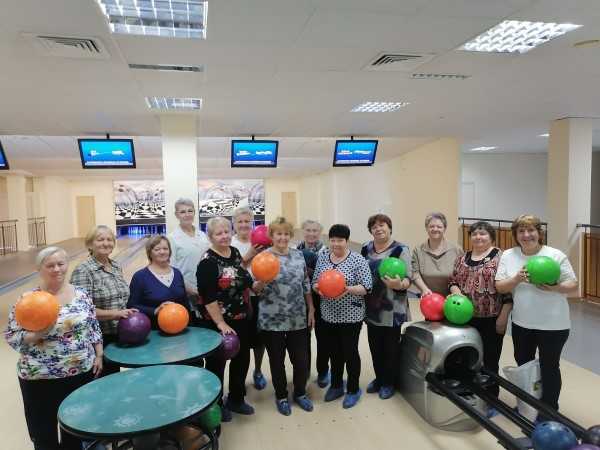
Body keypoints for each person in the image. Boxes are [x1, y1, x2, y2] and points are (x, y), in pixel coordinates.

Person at [5, 246, 103, 450]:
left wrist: (99, 354)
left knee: (74, 432)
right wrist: (37, 334)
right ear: (39, 269)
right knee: (43, 435)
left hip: (79, 372)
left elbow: (93, 326)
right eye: (50, 265)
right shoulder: (27, 299)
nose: (57, 269)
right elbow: (12, 336)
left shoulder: (82, 295)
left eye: (61, 264)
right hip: (39, 376)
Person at [496, 214, 578, 414]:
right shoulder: (509, 255)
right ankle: (528, 405)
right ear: (515, 235)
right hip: (522, 323)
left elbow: (573, 284)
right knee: (524, 365)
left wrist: (556, 288)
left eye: (531, 230)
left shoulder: (555, 255)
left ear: (539, 233)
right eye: (521, 231)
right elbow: (500, 287)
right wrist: (516, 279)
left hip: (553, 325)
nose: (526, 235)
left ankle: (549, 410)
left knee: (550, 367)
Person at [196, 217, 258, 421]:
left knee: (242, 358)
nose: (224, 236)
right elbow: (208, 297)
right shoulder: (207, 262)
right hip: (217, 322)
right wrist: (220, 323)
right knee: (217, 363)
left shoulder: (235, 252)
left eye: (226, 231)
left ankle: (236, 399)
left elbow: (243, 279)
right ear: (210, 237)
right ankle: (216, 403)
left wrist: (259, 283)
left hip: (241, 317)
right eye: (218, 233)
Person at [448, 221, 512, 414]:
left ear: (491, 237)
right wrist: (456, 291)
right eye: (474, 234)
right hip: (464, 318)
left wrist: (503, 316)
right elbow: (453, 280)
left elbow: (509, 291)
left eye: (483, 234)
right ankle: (470, 394)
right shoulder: (462, 258)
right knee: (467, 357)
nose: (478, 237)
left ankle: (491, 400)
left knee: (490, 360)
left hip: (491, 318)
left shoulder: (501, 257)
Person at [254, 217, 315, 416]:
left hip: (297, 317)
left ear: (290, 235)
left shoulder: (298, 255)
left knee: (301, 360)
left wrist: (311, 308)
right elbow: (255, 289)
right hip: (272, 319)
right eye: (278, 233)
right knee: (277, 361)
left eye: (286, 233)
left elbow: (305, 284)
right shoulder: (263, 257)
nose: (283, 237)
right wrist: (261, 282)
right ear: (271, 236)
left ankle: (300, 393)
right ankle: (281, 396)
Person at [312, 224, 372, 409]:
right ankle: (336, 385)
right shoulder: (323, 257)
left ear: (347, 241)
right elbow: (315, 282)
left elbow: (366, 287)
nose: (336, 244)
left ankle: (353, 389)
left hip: (351, 315)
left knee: (350, 352)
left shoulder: (358, 260)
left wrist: (346, 289)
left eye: (340, 240)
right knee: (334, 352)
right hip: (328, 314)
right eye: (333, 240)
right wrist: (319, 290)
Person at [71, 225, 135, 376]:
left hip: (119, 333)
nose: (106, 243)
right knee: (103, 381)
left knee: (116, 378)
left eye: (109, 239)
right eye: (100, 240)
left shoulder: (116, 266)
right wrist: (115, 314)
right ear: (90, 244)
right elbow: (82, 311)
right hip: (98, 339)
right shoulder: (83, 270)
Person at [361, 214, 411, 400]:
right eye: (374, 226)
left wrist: (399, 285)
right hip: (372, 305)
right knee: (375, 346)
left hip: (393, 307)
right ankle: (379, 378)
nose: (378, 229)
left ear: (389, 228)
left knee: (390, 348)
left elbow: (408, 278)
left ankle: (389, 382)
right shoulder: (366, 248)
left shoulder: (400, 249)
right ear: (370, 231)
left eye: (382, 225)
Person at [230, 206, 268, 391]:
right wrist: (249, 255)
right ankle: (240, 379)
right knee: (242, 342)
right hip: (239, 299)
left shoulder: (261, 241)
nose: (244, 225)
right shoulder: (230, 244)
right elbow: (229, 273)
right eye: (240, 221)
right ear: (234, 224)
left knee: (260, 340)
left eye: (247, 221)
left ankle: (258, 371)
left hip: (260, 296)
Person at [128, 236, 189, 328]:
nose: (162, 252)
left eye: (165, 248)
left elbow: (185, 303)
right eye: (157, 249)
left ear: (170, 251)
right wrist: (155, 310)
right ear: (150, 253)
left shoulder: (177, 273)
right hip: (153, 330)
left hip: (180, 328)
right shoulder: (140, 276)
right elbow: (131, 306)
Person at [297, 219, 329, 387]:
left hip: (323, 298)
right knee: (304, 339)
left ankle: (323, 372)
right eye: (308, 230)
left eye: (315, 230)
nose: (311, 233)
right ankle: (305, 371)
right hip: (303, 299)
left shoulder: (327, 251)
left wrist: (313, 272)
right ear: (303, 231)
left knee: (323, 338)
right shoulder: (295, 250)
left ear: (320, 232)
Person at [168, 198, 210, 322]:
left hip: (205, 290)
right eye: (182, 212)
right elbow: (171, 269)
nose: (187, 214)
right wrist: (190, 290)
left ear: (194, 212)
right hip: (185, 291)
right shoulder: (172, 238)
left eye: (190, 211)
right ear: (176, 215)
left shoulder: (202, 235)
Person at [412, 212, 463, 297]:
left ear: (444, 228)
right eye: (431, 226)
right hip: (428, 297)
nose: (435, 229)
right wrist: (424, 290)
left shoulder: (457, 250)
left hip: (451, 299)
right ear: (426, 228)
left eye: (439, 227)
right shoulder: (418, 250)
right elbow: (415, 273)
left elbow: (461, 275)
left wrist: (456, 292)